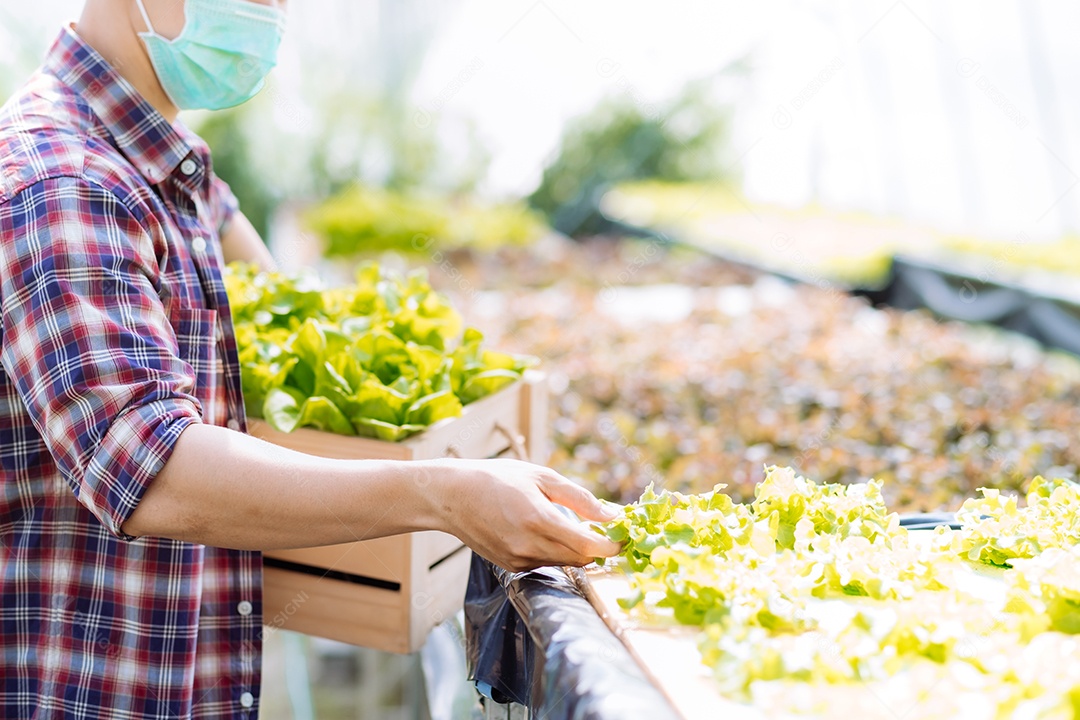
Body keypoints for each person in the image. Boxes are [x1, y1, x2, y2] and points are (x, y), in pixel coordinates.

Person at [0, 0, 621, 716]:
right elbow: (153, 470)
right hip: (88, 691)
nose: (271, 17)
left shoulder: (159, 160)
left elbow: (273, 293)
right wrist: (440, 493)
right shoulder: (63, 181)